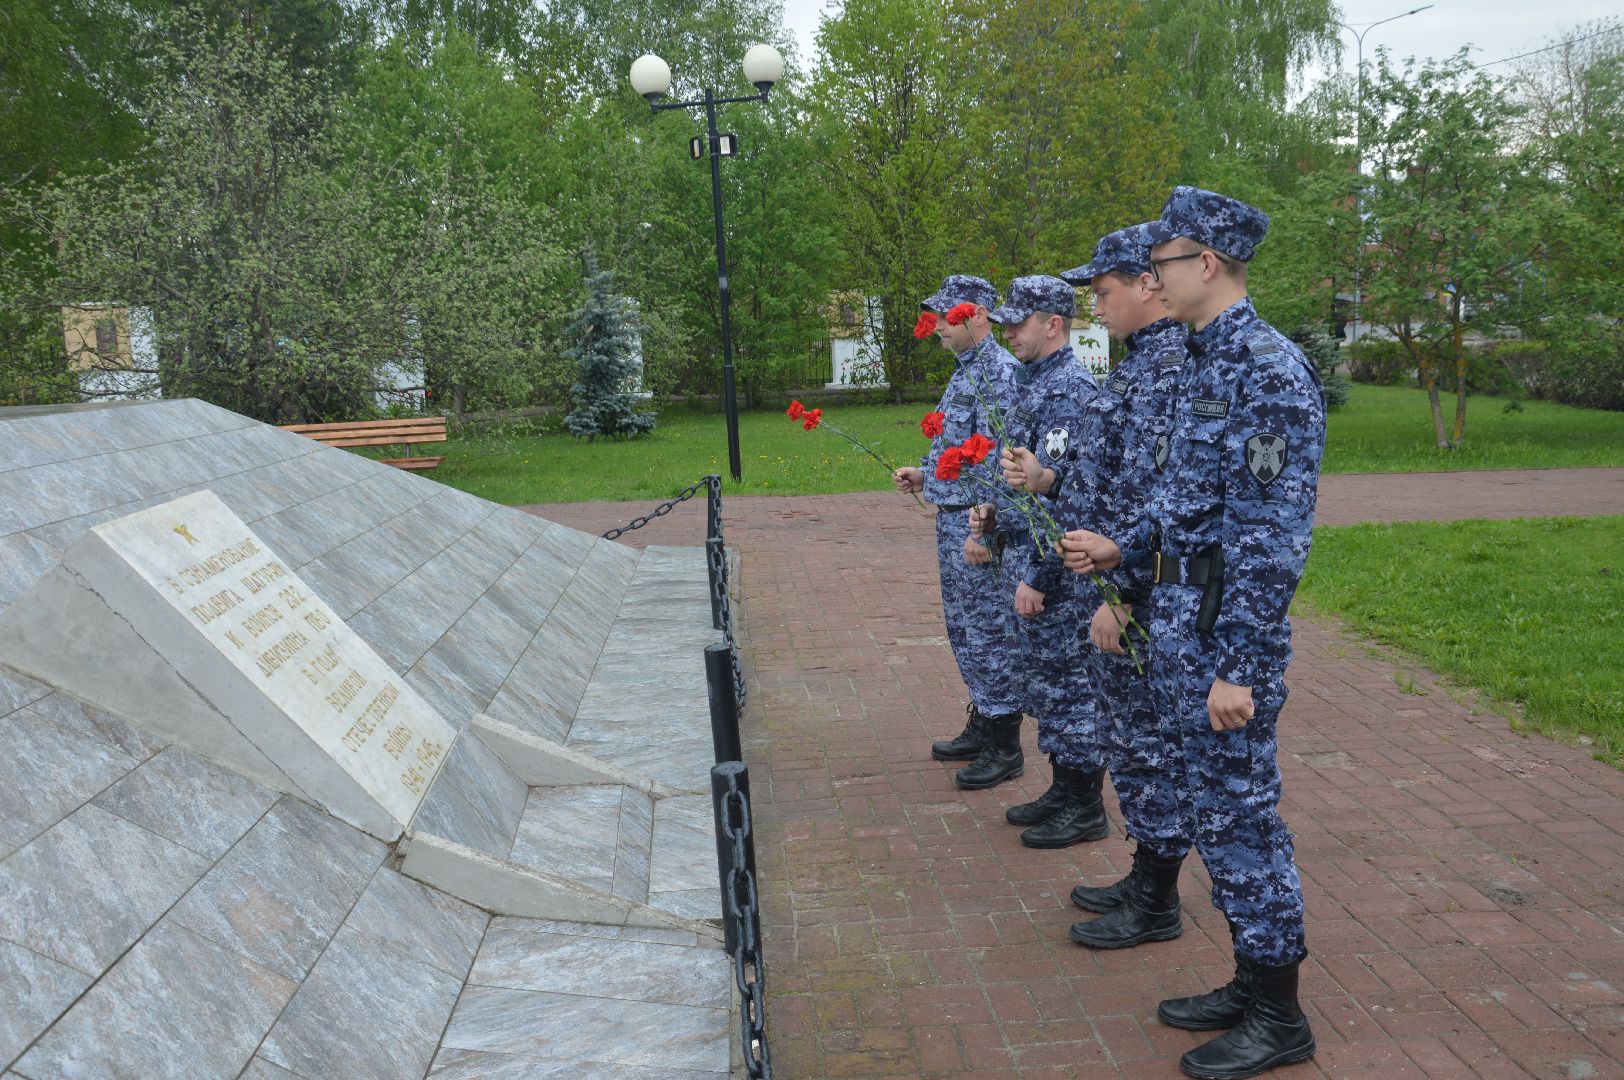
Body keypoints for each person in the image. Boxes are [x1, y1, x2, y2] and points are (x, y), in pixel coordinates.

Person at [1059, 187, 1325, 1080]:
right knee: (1216, 814)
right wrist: (1122, 549)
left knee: (1244, 821)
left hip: (1221, 636)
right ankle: (1251, 982)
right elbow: (1182, 502)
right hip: (1177, 619)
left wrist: (1238, 667)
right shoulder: (1206, 362)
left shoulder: (1266, 370)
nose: (1154, 279)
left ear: (1204, 264)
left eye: (1164, 264)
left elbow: (1272, 539)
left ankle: (1280, 1013)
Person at [1012, 224, 1195, 947]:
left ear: (1149, 285)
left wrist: (1122, 597)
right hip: (1107, 580)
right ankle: (1148, 877)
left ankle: (1158, 899)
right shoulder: (1137, 365)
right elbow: (1103, 478)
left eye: (1104, 291)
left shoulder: (1171, 369)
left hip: (1135, 591)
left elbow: (1164, 500)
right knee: (1135, 744)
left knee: (1150, 745)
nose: (1096, 306)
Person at [972, 275, 1110, 843]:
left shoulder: (1071, 390)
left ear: (1053, 324)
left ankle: (1085, 805)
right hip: (1026, 561)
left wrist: (1039, 576)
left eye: (1017, 321)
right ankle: (1063, 786)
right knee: (1045, 682)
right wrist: (991, 517)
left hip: (1057, 575)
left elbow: (1073, 500)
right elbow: (1023, 483)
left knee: (1070, 686)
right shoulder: (1032, 383)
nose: (1007, 331)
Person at [893, 275, 1024, 789]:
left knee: (989, 632)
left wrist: (984, 530)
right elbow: (962, 448)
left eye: (947, 318)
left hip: (977, 524)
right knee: (966, 630)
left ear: (978, 318)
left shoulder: (999, 374)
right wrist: (927, 475)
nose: (938, 329)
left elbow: (1001, 460)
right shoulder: (966, 370)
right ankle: (985, 720)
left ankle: (1004, 744)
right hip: (954, 516)